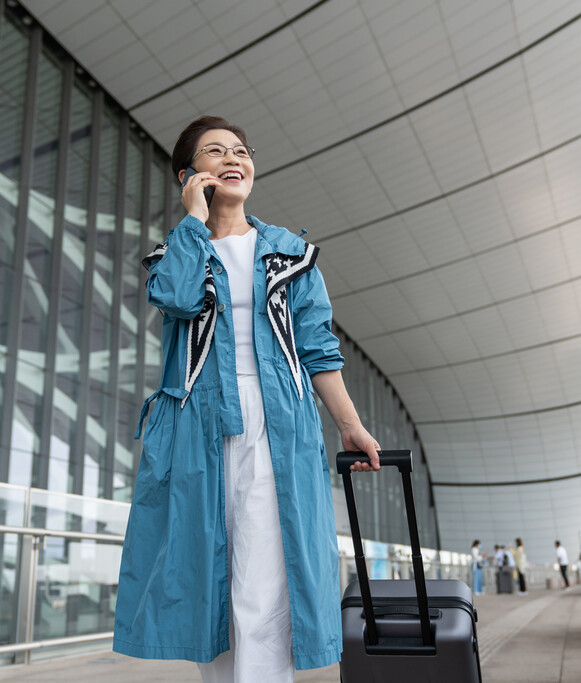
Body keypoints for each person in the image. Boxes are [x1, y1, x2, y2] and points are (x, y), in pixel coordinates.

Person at [113, 116, 381, 683]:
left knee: (263, 580)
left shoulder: (290, 253)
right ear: (190, 175)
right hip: (196, 431)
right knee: (210, 583)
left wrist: (350, 425)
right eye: (216, 152)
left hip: (276, 426)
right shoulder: (176, 252)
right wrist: (194, 218)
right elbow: (180, 299)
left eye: (241, 150)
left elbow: (318, 348)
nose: (234, 158)